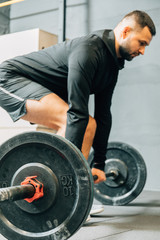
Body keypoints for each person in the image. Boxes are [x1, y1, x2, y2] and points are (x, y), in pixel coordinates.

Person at [0, 10, 156, 186]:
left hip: (36, 88)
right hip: (8, 79)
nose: (142, 51)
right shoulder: (89, 49)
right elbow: (77, 111)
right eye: (141, 43)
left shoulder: (111, 67)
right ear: (125, 31)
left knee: (90, 124)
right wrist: (67, 172)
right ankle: (63, 192)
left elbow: (103, 115)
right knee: (71, 120)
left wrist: (98, 164)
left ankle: (73, 194)